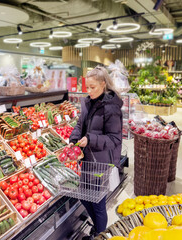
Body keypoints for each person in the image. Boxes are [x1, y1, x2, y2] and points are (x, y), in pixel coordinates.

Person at [69, 66, 123, 239]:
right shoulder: (87, 102)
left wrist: (90, 139)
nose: (89, 91)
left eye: (93, 87)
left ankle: (100, 235)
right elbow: (80, 125)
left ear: (103, 84)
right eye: (87, 87)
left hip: (101, 161)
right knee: (84, 197)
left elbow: (115, 139)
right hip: (87, 159)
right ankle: (97, 230)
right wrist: (73, 139)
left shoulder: (111, 108)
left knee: (98, 202)